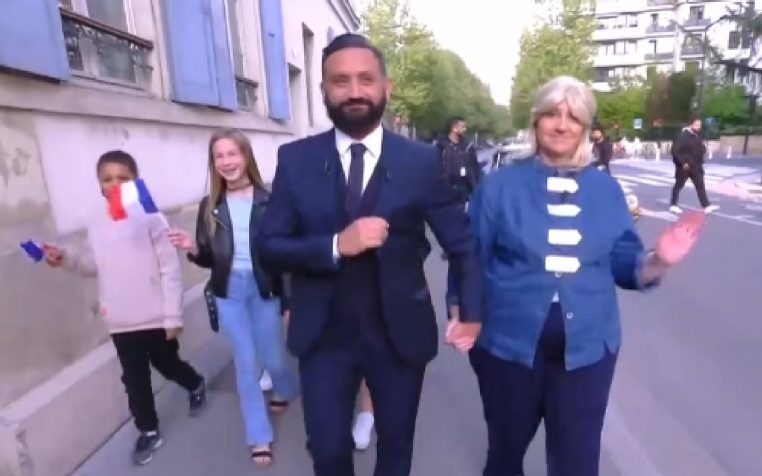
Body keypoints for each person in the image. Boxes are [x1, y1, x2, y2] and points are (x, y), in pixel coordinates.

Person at [256, 33, 482, 476]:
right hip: (324, 339)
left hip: (399, 336)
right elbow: (269, 246)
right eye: (340, 81)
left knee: (396, 450)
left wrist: (471, 311)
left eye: (366, 79)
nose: (354, 91)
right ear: (323, 90)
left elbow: (463, 242)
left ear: (386, 87)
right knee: (327, 452)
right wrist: (336, 245)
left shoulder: (420, 161)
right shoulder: (296, 159)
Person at [468, 76, 706, 476]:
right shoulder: (498, 187)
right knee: (505, 451)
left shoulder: (605, 190)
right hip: (508, 344)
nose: (562, 125)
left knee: (577, 462)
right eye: (552, 114)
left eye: (574, 117)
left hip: (589, 347)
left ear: (584, 127)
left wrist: (659, 260)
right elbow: (470, 259)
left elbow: (625, 262)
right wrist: (464, 314)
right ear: (536, 120)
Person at [43, 150, 207, 466]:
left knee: (167, 364)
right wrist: (66, 258)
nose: (114, 184)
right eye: (107, 179)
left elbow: (169, 269)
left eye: (123, 178)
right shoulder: (96, 222)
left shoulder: (151, 217)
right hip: (120, 320)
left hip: (156, 317)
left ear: (135, 181)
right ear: (99, 184)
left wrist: (173, 315)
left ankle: (195, 383)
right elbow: (94, 264)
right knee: (134, 379)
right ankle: (148, 429)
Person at [167, 129, 297, 468]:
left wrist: (289, 302)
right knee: (246, 360)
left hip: (264, 287)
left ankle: (284, 387)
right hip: (229, 292)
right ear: (213, 163)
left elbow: (284, 256)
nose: (226, 162)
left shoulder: (271, 200)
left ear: (246, 156)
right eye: (219, 156)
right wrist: (192, 248)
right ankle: (259, 435)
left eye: (232, 154)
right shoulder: (210, 206)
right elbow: (209, 258)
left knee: (273, 356)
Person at [670, 116, 719, 214]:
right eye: (696, 125)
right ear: (690, 125)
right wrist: (683, 162)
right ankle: (673, 205)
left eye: (699, 125)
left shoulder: (696, 136)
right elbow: (674, 151)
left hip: (696, 166)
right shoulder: (683, 136)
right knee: (678, 185)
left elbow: (700, 149)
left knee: (700, 185)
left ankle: (706, 205)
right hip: (685, 167)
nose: (698, 127)